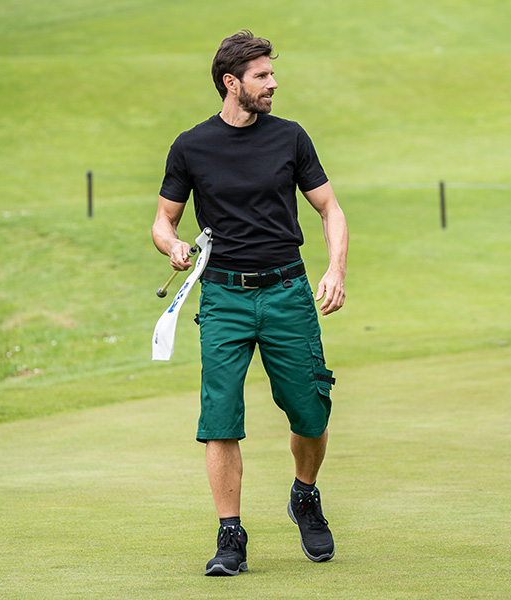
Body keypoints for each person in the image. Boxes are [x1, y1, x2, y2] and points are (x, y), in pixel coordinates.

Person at [151, 30, 349, 576]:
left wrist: (335, 267)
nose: (273, 83)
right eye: (262, 75)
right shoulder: (191, 146)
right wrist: (173, 246)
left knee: (311, 411)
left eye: (271, 73)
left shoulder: (290, 138)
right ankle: (229, 535)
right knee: (220, 418)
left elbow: (330, 209)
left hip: (288, 291)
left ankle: (304, 495)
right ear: (230, 83)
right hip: (222, 298)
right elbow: (164, 221)